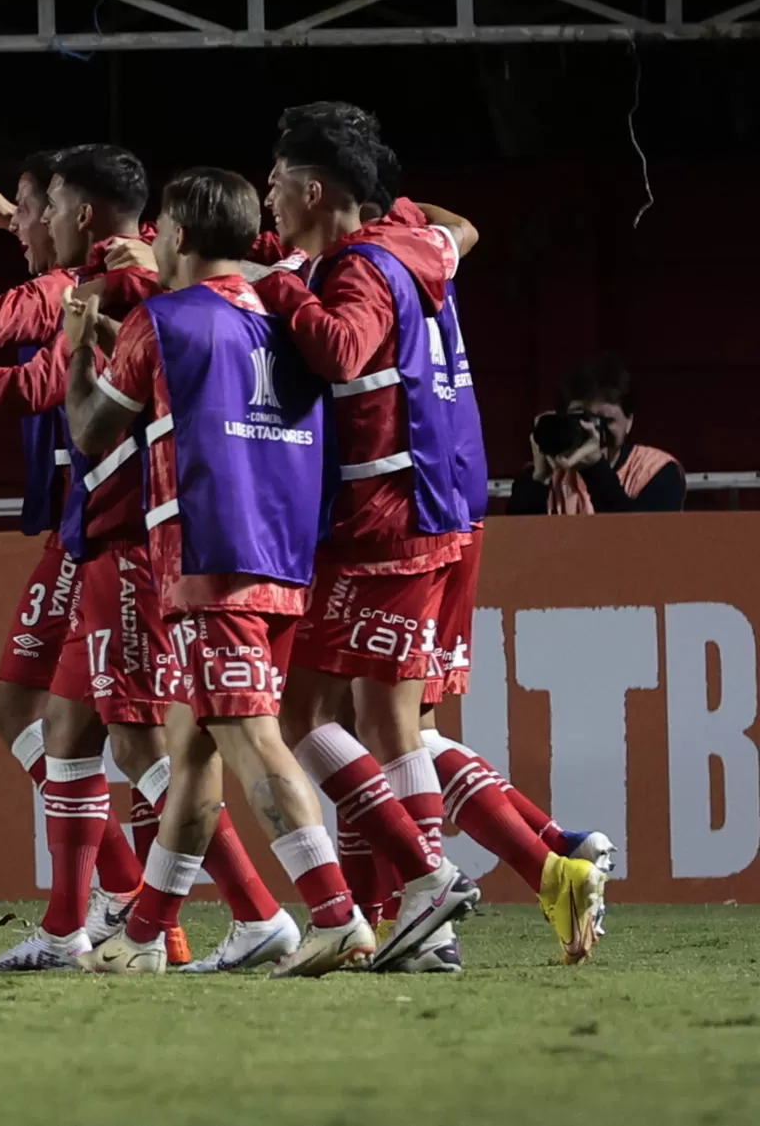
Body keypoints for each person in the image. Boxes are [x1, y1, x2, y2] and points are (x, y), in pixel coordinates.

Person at [0, 148, 294, 974]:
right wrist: (9, 218)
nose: (23, 224)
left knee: (140, 740)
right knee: (39, 714)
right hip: (90, 529)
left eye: (32, 207)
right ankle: (95, 914)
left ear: (75, 214)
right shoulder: (131, 259)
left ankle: (229, 907)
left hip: (127, 531)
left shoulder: (104, 281)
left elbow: (14, 360)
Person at [258, 102, 603, 967]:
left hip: (384, 519)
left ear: (311, 188)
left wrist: (285, 282)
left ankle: (434, 885)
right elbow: (460, 227)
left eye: (273, 182)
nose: (266, 198)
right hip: (445, 507)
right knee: (390, 717)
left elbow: (341, 350)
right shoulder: (415, 239)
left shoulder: (357, 271)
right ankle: (521, 876)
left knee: (304, 713)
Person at [63, 166, 371, 978]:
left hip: (208, 561)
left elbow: (95, 430)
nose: (153, 242)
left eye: (161, 227)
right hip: (282, 557)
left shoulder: (162, 318)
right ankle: (141, 941)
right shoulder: (284, 319)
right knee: (192, 750)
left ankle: (337, 914)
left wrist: (75, 355)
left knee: (251, 739)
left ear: (184, 235)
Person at [509, 354, 685, 514]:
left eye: (605, 421)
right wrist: (538, 479)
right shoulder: (548, 470)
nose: (593, 431)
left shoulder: (655, 471)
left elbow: (640, 539)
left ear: (629, 421)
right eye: (582, 419)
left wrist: (595, 469)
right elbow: (518, 540)